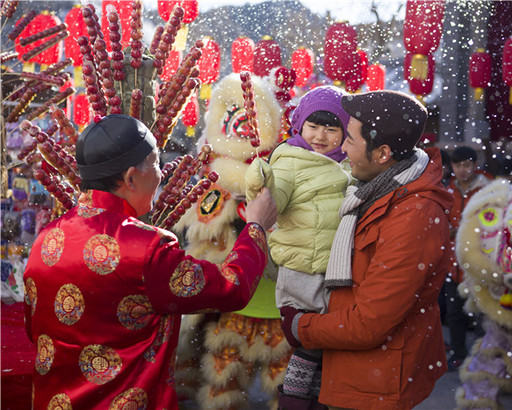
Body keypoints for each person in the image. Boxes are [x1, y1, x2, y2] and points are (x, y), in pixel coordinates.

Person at [22, 114, 277, 409]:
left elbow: (35, 330)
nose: (160, 174)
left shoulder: (47, 238)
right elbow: (232, 288)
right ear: (131, 178)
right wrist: (255, 226)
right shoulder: (147, 249)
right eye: (156, 163)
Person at [277, 90, 454, 409]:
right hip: (351, 369)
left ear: (383, 153)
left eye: (350, 141)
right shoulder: (371, 190)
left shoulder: (413, 216)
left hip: (374, 383)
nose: (341, 147)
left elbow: (370, 323)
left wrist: (299, 326)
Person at [245, 85, 352, 408]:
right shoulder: (291, 160)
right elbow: (272, 202)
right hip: (301, 270)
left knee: (328, 351)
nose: (320, 136)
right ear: (299, 125)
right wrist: (259, 183)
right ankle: (294, 403)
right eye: (313, 126)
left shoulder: (349, 164)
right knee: (310, 345)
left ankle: (317, 401)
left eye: (332, 129)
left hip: (337, 270)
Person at [446, 146, 493, 370]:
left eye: (467, 165)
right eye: (458, 166)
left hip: (479, 264)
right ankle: (458, 353)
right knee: (455, 313)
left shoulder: (488, 191)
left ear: (475, 165)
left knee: (482, 315)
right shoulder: (448, 190)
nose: (462, 170)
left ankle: (483, 357)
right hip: (452, 265)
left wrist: (467, 230)